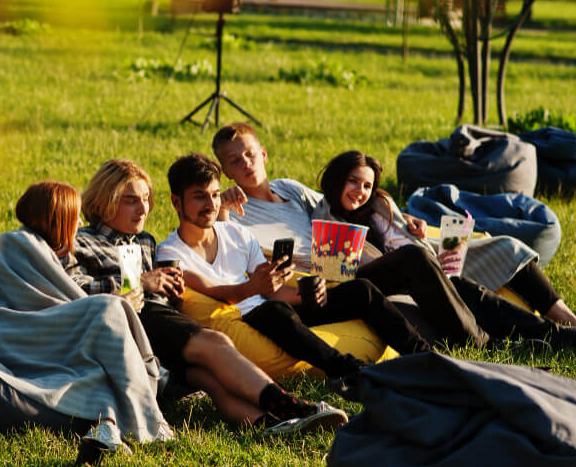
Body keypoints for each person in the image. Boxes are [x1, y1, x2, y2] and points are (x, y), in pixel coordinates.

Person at [210, 123, 576, 353]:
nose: (245, 164)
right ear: (225, 171)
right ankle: (478, 342)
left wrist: (398, 213)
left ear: (263, 153)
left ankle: (557, 336)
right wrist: (223, 209)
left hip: (346, 264)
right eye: (234, 161)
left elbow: (336, 206)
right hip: (324, 284)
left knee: (455, 282)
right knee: (414, 261)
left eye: (249, 155)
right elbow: (225, 244)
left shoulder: (290, 189)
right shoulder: (234, 210)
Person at [63, 159, 348, 437]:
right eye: (131, 201)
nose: (143, 209)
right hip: (130, 325)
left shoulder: (145, 241)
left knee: (207, 377)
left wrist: (172, 289)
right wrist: (141, 283)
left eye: (146, 199)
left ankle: (268, 425)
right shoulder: (81, 242)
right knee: (214, 342)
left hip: (160, 330)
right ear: (105, 201)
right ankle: (291, 406)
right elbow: (73, 291)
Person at [155, 153, 432, 381]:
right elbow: (215, 291)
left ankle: (424, 356)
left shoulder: (236, 234)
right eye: (200, 196)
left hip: (274, 308)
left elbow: (272, 290)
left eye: (215, 195)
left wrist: (304, 295)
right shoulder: (170, 253)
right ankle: (348, 371)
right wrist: (253, 287)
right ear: (176, 202)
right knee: (274, 311)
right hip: (250, 318)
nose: (211, 204)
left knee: (361, 290)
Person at [0, 181, 172, 467]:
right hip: (5, 336)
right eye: (74, 218)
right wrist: (111, 305)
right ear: (57, 219)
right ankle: (148, 425)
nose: (80, 224)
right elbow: (63, 300)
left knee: (96, 369)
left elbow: (55, 299)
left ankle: (107, 429)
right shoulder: (16, 244)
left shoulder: (39, 247)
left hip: (33, 332)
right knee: (108, 310)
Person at [316, 151, 576, 326]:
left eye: (367, 185)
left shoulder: (378, 204)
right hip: (407, 277)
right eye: (353, 181)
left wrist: (410, 221)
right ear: (338, 178)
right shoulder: (326, 218)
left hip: (429, 255)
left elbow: (396, 228)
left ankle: (571, 321)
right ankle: (553, 332)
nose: (360, 191)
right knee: (462, 287)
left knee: (509, 246)